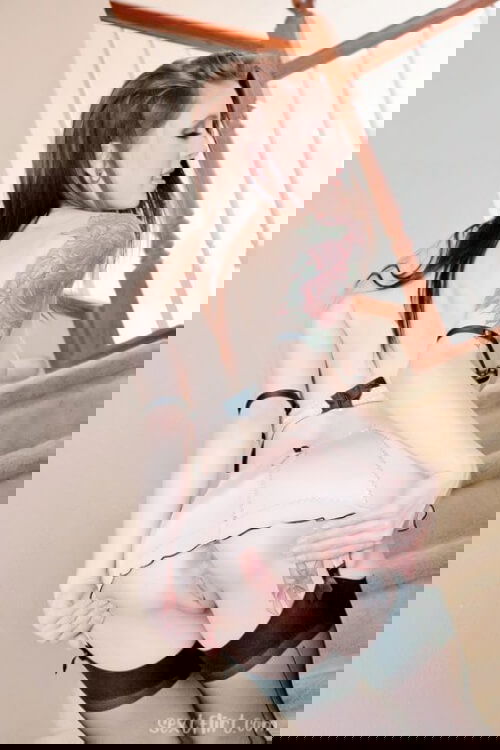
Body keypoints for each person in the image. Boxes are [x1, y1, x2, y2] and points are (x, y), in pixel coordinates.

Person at [35, 213, 500, 742]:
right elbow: (432, 410)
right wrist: (423, 492)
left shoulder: (361, 298)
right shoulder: (483, 315)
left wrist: (102, 563)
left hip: (218, 513)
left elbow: (249, 428)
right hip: (332, 504)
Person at [0, 50, 271, 362]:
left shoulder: (67, 215)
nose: (196, 151)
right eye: (194, 130)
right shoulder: (101, 227)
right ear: (138, 118)